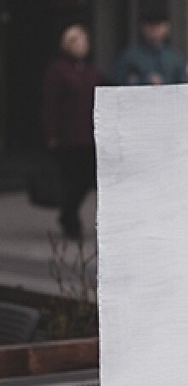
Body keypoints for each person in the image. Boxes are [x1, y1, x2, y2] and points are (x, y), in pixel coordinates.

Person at [41, 24, 105, 241]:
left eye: (84, 42)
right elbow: (50, 103)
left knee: (86, 179)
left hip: (89, 133)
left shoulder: (90, 70)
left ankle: (68, 215)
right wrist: (52, 133)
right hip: (68, 136)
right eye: (77, 42)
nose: (82, 46)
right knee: (73, 179)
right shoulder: (58, 70)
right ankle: (69, 219)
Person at [112, 14, 186, 86]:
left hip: (169, 97)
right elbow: (118, 82)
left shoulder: (174, 57)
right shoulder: (130, 56)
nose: (154, 30)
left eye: (158, 25)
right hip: (138, 97)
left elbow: (182, 85)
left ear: (167, 28)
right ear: (143, 28)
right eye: (150, 26)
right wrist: (144, 80)